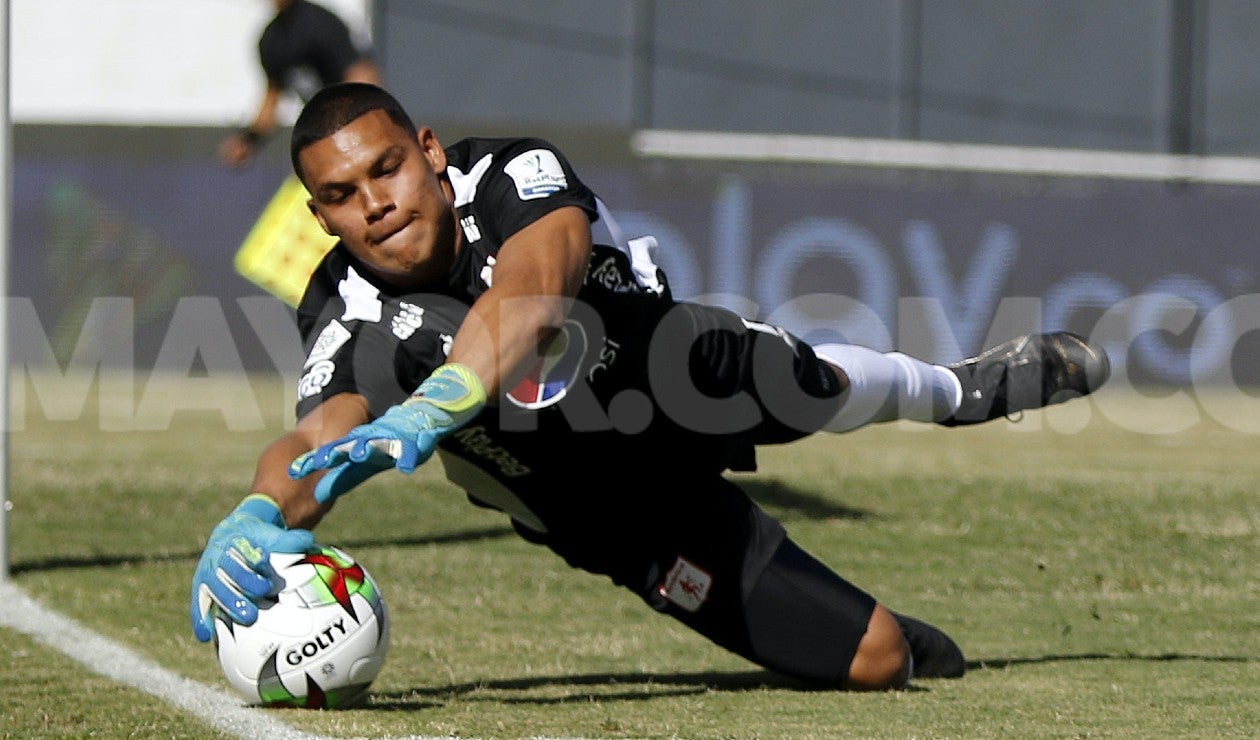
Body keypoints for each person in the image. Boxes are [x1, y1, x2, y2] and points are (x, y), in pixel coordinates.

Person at [190, 83, 1110, 690]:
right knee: (877, 663)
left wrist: (438, 400)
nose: (375, 202)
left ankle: (957, 391)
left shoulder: (510, 171)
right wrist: (259, 512)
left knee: (816, 381)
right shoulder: (340, 305)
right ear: (320, 216)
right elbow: (324, 431)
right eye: (344, 195)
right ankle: (885, 632)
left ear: (427, 151)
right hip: (598, 504)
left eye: (386, 168)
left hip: (665, 372)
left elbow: (534, 291)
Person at [220, 0, 381, 169]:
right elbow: (272, 99)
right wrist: (249, 140)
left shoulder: (322, 23)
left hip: (355, 138)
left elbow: (363, 76)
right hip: (322, 140)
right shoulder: (271, 40)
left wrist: (355, 128)